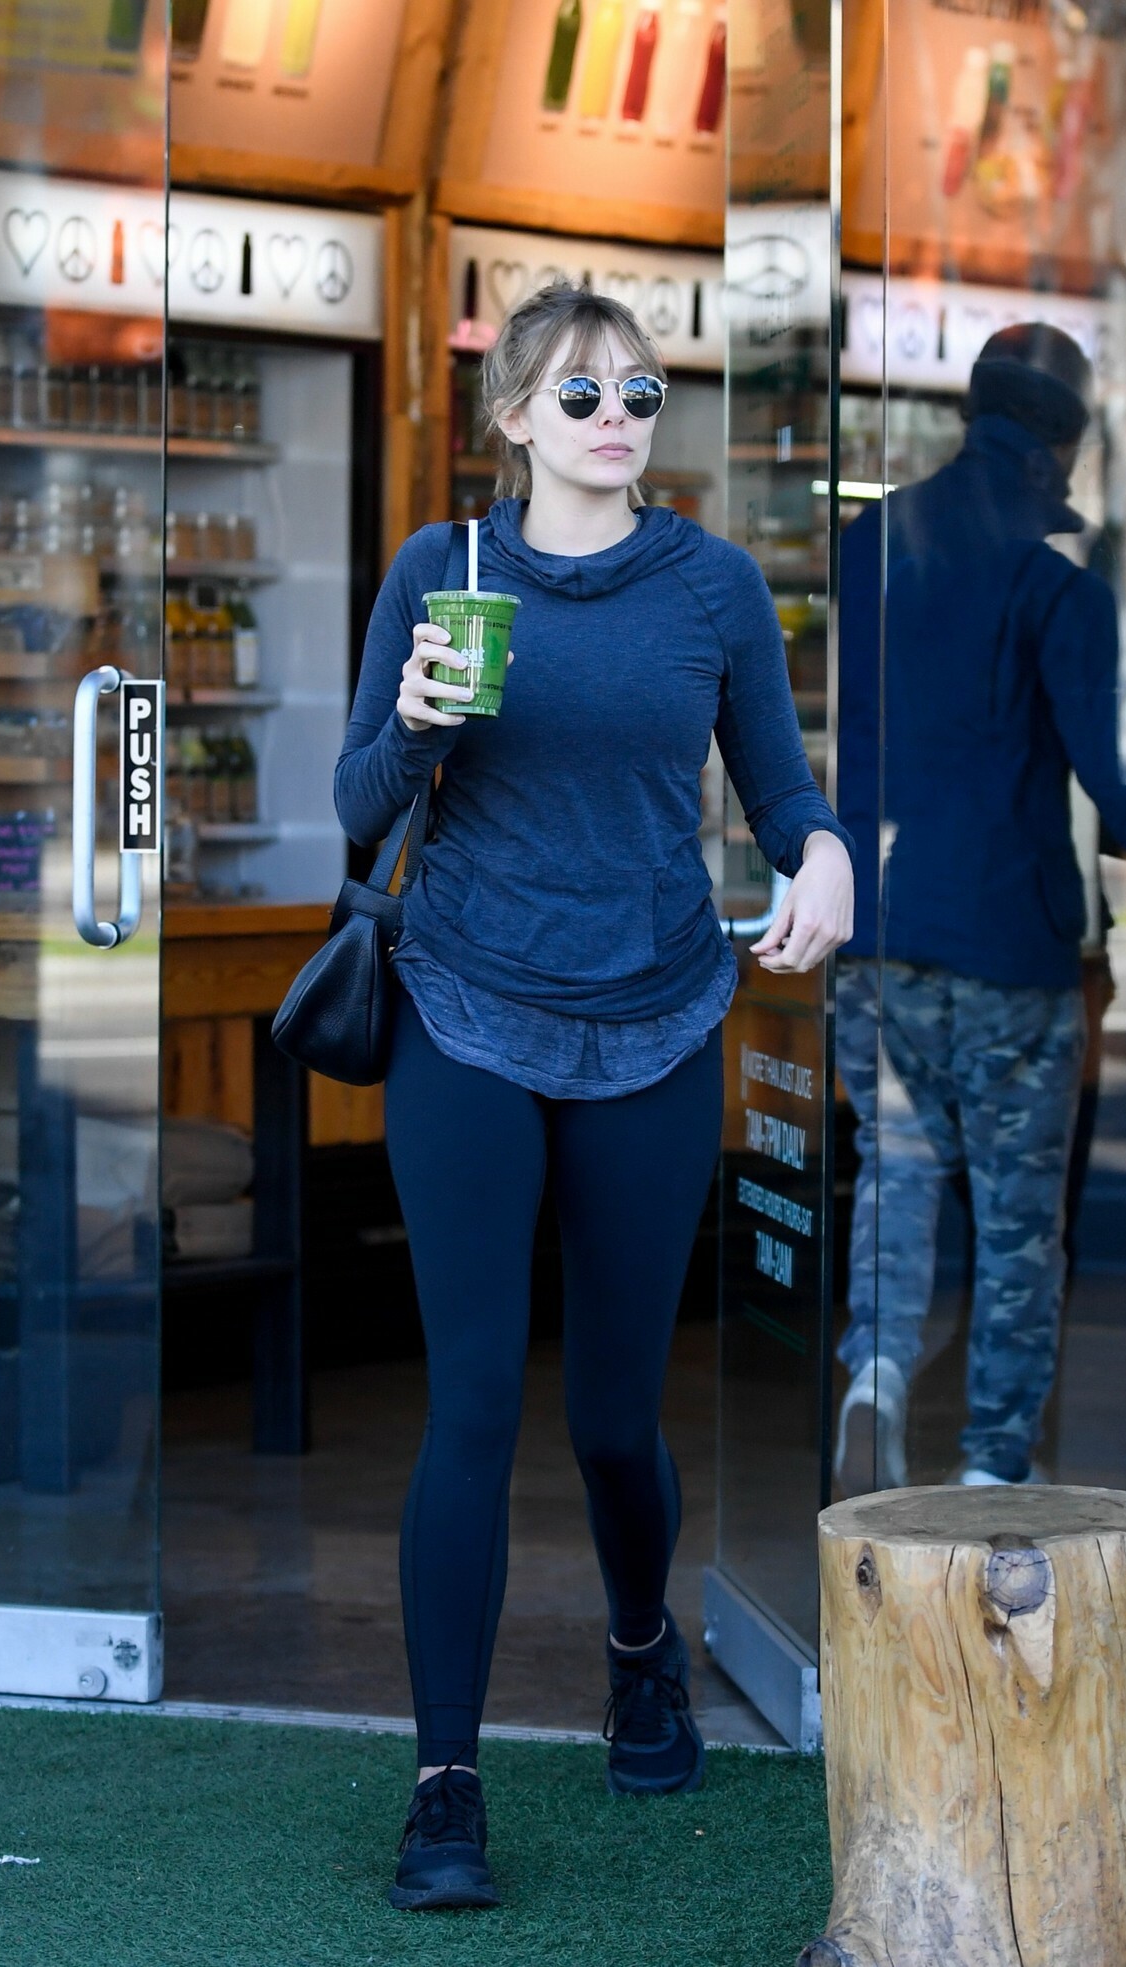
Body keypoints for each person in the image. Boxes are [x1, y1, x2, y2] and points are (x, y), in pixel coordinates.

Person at [334, 283, 855, 1912]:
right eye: (580, 396)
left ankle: (642, 1653)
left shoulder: (712, 584)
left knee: (616, 1413)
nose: (617, 417)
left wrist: (826, 854)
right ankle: (445, 1782)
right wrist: (416, 723)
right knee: (476, 1404)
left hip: (654, 1016)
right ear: (514, 419)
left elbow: (779, 788)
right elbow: (355, 801)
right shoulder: (441, 572)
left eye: (638, 392)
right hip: (466, 1010)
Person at [833, 322, 1126, 1492]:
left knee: (894, 1169)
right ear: (1058, 446)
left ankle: (875, 1372)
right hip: (1008, 948)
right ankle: (991, 1463)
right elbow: (1111, 801)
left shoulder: (868, 543)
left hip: (876, 928)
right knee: (1018, 1225)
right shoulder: (1060, 592)